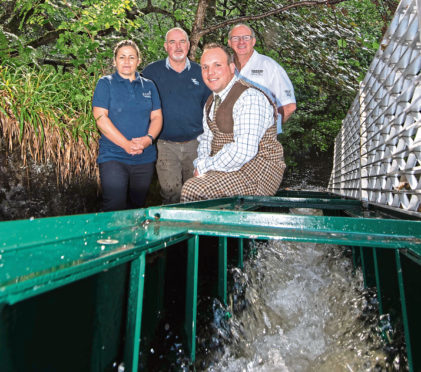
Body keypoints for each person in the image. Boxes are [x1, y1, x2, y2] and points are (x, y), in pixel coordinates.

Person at [180, 43, 285, 202]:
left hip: (256, 172)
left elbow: (244, 151)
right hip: (227, 168)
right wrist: (201, 164)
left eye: (217, 65)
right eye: (205, 67)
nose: (210, 72)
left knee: (194, 189)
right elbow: (206, 140)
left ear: (231, 67)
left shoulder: (250, 97)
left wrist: (205, 167)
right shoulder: (211, 101)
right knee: (195, 182)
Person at [142, 28, 211, 204]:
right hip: (165, 146)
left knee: (196, 196)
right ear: (166, 46)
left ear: (188, 45)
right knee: (170, 194)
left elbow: (209, 109)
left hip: (197, 145)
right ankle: (174, 230)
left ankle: (193, 230)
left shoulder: (201, 72)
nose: (178, 46)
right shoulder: (151, 73)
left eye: (182, 42)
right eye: (172, 42)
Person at [92, 40, 162, 211]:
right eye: (122, 57)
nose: (126, 61)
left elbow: (157, 117)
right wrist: (126, 144)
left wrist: (148, 140)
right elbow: (100, 117)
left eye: (131, 57)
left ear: (139, 61)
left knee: (137, 206)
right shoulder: (105, 83)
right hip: (113, 156)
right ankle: (111, 238)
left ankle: (133, 238)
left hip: (144, 157)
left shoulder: (150, 86)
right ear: (114, 60)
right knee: (114, 204)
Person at [228, 23, 296, 133]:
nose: (241, 42)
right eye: (236, 38)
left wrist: (269, 131)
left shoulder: (270, 66)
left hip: (262, 141)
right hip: (228, 139)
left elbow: (289, 106)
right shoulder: (223, 68)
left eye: (246, 37)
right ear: (229, 42)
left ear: (253, 41)